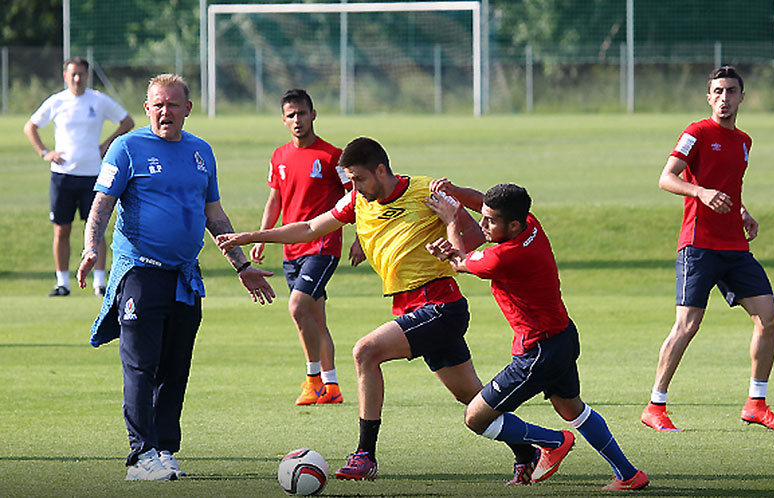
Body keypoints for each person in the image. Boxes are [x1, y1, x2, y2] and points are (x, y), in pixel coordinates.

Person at [217, 137, 490, 482]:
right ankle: (538, 446)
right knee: (474, 401)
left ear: (380, 170)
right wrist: (253, 236)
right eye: (351, 181)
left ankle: (365, 455)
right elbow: (310, 228)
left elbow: (485, 222)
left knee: (365, 351)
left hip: (441, 304)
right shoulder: (358, 201)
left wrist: (463, 232)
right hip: (412, 307)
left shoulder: (426, 191)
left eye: (359, 179)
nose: (354, 187)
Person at [76, 74, 276, 481]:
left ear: (188, 107)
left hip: (185, 278)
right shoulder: (127, 147)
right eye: (157, 104)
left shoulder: (201, 152)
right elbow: (101, 205)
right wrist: (91, 247)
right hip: (140, 273)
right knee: (140, 365)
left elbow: (214, 215)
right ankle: (139, 456)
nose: (165, 111)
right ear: (147, 108)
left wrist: (242, 265)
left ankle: (164, 449)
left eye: (173, 104)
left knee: (175, 367)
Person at [425, 180, 649, 491]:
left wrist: (451, 221)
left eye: (490, 221)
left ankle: (554, 442)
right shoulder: (530, 224)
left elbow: (461, 261)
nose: (482, 224)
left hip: (539, 351)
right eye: (484, 217)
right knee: (574, 410)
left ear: (513, 224)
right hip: (562, 337)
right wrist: (454, 193)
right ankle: (628, 475)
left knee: (475, 418)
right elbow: (482, 203)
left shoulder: (504, 257)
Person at [640, 66, 774, 432]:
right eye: (718, 91)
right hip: (699, 245)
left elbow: (728, 186)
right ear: (709, 97)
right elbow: (667, 177)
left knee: (770, 319)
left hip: (735, 247)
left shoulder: (744, 141)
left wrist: (742, 212)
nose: (725, 98)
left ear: (742, 96)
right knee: (687, 325)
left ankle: (756, 403)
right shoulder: (696, 133)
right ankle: (655, 405)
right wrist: (701, 192)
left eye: (732, 91)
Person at [251, 89, 360, 405]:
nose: (297, 120)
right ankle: (332, 386)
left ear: (314, 114)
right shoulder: (279, 156)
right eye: (291, 115)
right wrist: (262, 235)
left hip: (323, 245)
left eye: (302, 113)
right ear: (283, 120)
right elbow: (275, 200)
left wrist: (359, 240)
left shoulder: (332, 157)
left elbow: (357, 198)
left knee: (297, 306)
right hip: (291, 250)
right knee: (314, 318)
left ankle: (312, 381)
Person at [24, 56, 134, 297]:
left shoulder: (98, 100)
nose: (77, 78)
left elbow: (127, 121)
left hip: (93, 175)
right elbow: (30, 126)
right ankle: (62, 282)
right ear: (65, 76)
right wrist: (45, 152)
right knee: (61, 230)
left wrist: (107, 144)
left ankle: (100, 282)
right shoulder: (57, 101)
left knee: (96, 228)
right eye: (72, 74)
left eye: (81, 74)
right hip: (63, 175)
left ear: (87, 75)